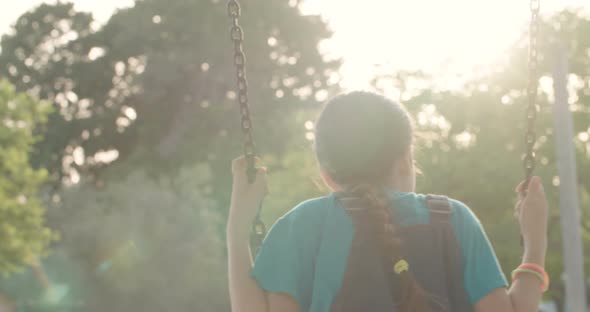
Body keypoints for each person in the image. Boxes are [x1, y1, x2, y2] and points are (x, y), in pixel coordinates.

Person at [227, 91, 549, 312]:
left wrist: (237, 228)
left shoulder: (302, 225)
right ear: (405, 160)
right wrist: (535, 241)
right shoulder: (452, 219)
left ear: (326, 174)